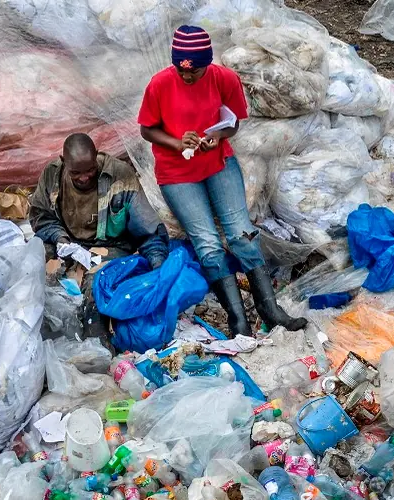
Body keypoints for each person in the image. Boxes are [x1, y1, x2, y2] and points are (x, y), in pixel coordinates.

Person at [138, 25, 306, 337]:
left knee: (242, 234)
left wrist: (217, 136)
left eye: (195, 71)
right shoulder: (160, 84)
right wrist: (177, 143)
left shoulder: (224, 79)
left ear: (207, 63)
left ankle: (269, 308)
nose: (187, 77)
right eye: (182, 70)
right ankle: (237, 318)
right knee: (208, 244)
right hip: (176, 173)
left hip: (218, 162)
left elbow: (233, 122)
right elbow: (147, 129)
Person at [29, 133, 170, 338]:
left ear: (97, 157)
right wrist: (60, 238)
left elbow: (148, 231)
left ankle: (96, 342)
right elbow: (40, 217)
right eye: (76, 172)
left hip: (110, 246)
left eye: (90, 170)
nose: (84, 177)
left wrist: (160, 269)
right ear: (64, 163)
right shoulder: (52, 175)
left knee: (97, 284)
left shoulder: (119, 175)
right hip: (67, 243)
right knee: (36, 269)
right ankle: (40, 334)